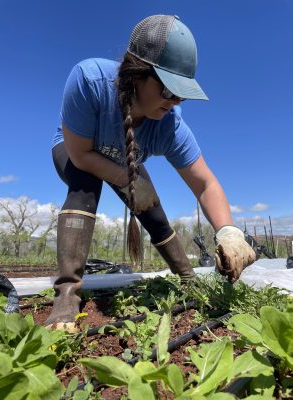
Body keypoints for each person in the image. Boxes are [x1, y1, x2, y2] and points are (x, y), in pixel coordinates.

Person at [45, 14, 256, 331]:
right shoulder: (89, 81)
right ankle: (65, 300)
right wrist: (126, 180)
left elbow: (204, 183)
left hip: (124, 160)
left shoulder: (170, 126)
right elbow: (79, 154)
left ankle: (187, 278)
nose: (175, 101)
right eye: (168, 90)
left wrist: (229, 232)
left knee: (153, 211)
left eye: (181, 93)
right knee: (85, 186)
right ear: (136, 73)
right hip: (77, 150)